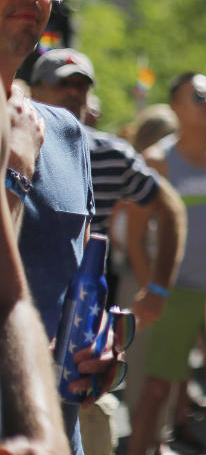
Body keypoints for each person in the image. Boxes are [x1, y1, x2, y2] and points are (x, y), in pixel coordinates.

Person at [1, 0, 124, 455]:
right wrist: (15, 172)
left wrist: (102, 358)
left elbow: (76, 288)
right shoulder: (22, 145)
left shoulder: (68, 136)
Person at [29, 47, 188, 455]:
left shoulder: (108, 153)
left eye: (81, 85)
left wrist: (158, 288)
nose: (73, 93)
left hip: (83, 327)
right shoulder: (13, 145)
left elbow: (168, 206)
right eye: (62, 84)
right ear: (35, 89)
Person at [127, 72, 206, 455]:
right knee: (157, 388)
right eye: (198, 96)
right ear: (175, 105)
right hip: (176, 293)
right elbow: (133, 234)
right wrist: (155, 288)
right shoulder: (158, 161)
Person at [0, 82, 71, 455]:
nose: (73, 91)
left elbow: (76, 269)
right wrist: (17, 169)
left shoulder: (67, 133)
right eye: (66, 83)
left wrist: (91, 350)